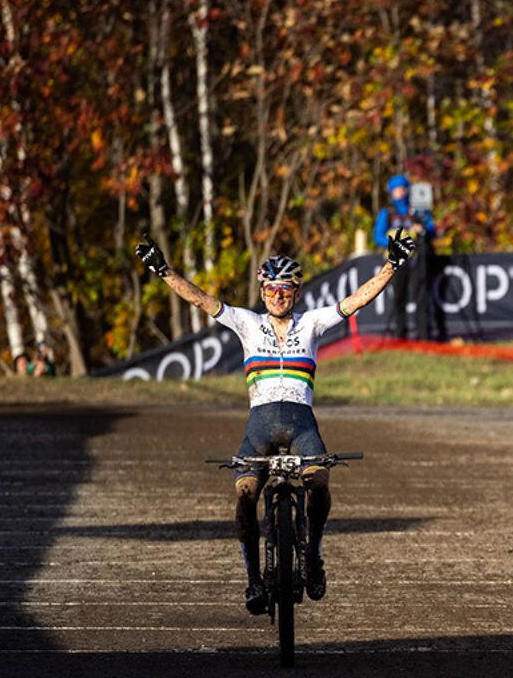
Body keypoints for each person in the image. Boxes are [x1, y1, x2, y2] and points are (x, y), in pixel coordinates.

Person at [134, 230, 417, 614]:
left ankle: (314, 558)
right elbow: (200, 298)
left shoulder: (312, 323)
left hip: (302, 425)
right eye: (271, 290)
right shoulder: (247, 323)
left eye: (285, 289)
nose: (278, 296)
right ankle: (253, 579)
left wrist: (392, 265)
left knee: (319, 482)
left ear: (297, 292)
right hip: (259, 429)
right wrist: (163, 270)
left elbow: (357, 299)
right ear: (262, 292)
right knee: (244, 496)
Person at [374, 175, 438, 340]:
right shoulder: (387, 214)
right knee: (398, 298)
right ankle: (400, 337)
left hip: (417, 261)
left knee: (421, 299)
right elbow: (378, 237)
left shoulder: (418, 211)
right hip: (397, 263)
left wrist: (422, 227)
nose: (400, 193)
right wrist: (396, 241)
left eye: (402, 189)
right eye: (396, 190)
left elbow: (431, 230)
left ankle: (424, 337)